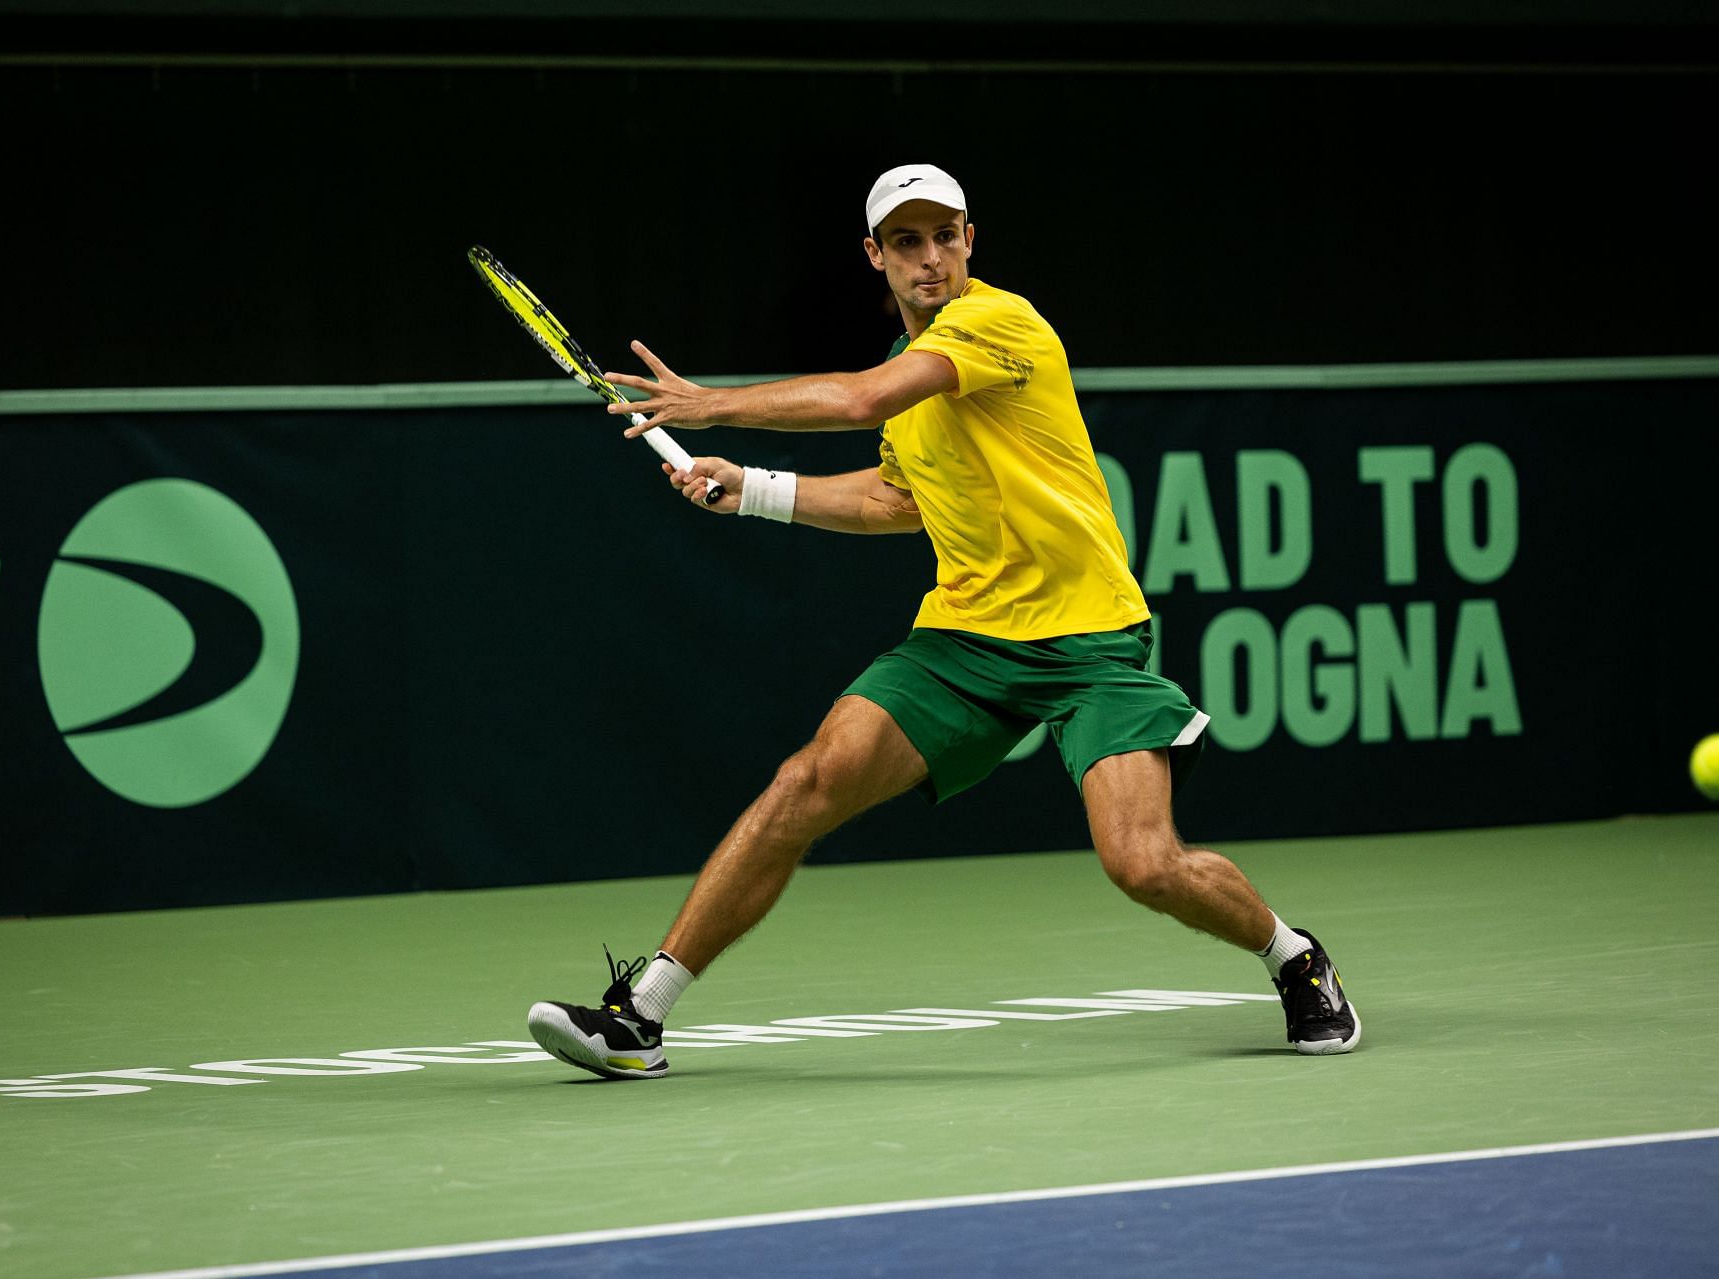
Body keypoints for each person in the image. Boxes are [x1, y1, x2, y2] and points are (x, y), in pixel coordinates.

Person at [525, 164, 1360, 1079]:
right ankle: (639, 1015)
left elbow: (857, 403)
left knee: (1144, 863)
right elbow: (897, 499)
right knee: (806, 783)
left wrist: (707, 402)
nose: (932, 259)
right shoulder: (903, 364)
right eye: (909, 242)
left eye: (946, 237)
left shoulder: (1000, 323)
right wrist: (753, 490)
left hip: (1089, 639)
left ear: (971, 240)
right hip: (964, 638)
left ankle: (1293, 955)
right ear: (875, 256)